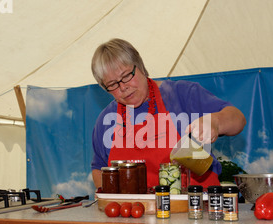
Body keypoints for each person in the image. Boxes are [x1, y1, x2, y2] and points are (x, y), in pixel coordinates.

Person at [91, 38, 246, 189]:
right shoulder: (107, 120)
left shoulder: (183, 95)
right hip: (135, 212)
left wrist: (215, 121)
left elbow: (238, 119)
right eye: (112, 84)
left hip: (196, 208)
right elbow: (99, 168)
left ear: (141, 67)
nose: (123, 87)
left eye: (126, 76)